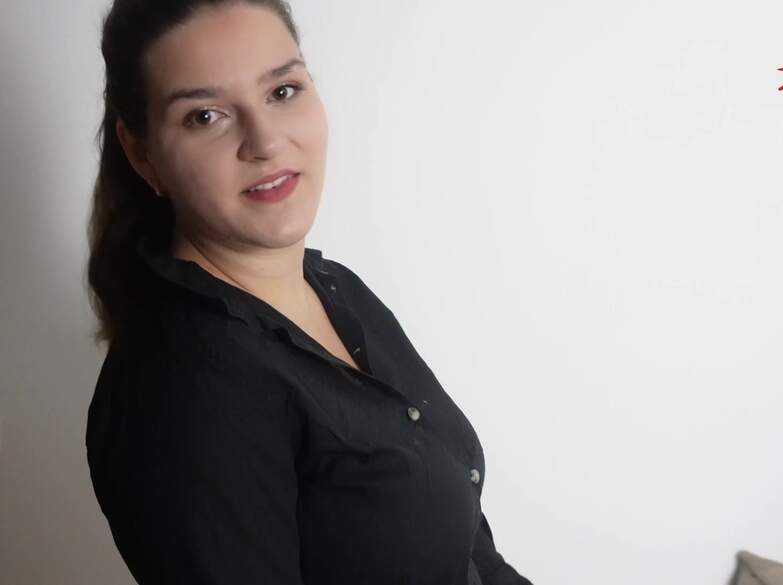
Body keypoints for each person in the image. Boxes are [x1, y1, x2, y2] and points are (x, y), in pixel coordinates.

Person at [84, 1, 534, 584]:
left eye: (282, 91)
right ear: (142, 154)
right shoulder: (184, 384)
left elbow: (470, 551)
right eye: (206, 116)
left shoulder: (334, 289)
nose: (265, 141)